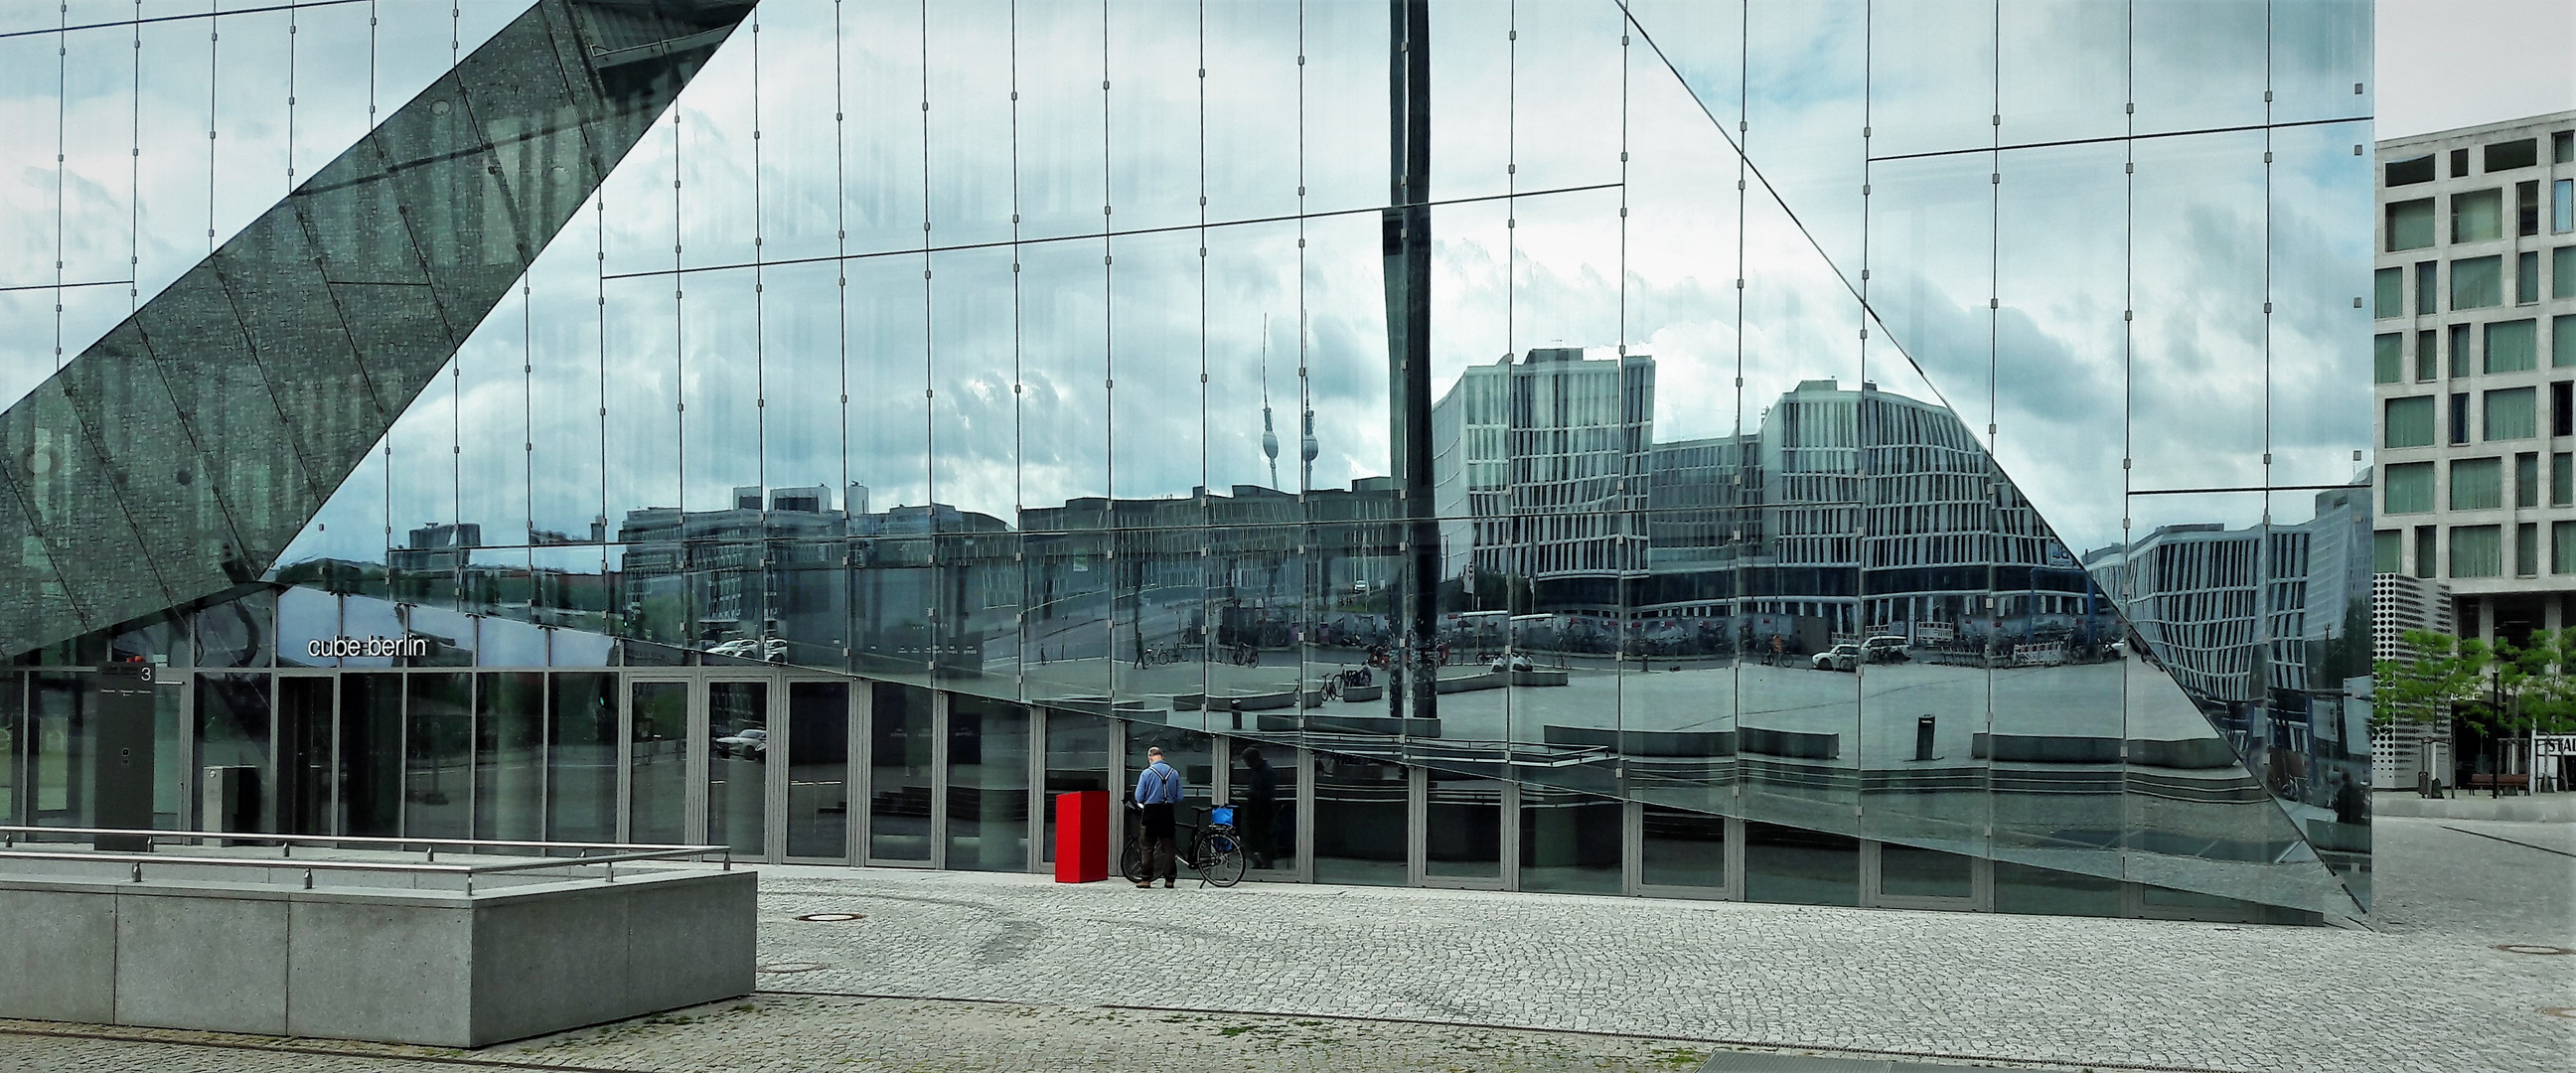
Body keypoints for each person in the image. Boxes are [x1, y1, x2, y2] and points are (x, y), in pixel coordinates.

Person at [1133, 745, 1181, 889]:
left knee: (1147, 846)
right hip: (1167, 811)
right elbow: (1179, 796)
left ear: (1150, 758)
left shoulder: (1146, 773)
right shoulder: (1174, 773)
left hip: (1151, 812)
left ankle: (1146, 879)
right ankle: (1170, 880)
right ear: (1162, 757)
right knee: (1168, 847)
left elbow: (1139, 796)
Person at [1238, 746, 1278, 869]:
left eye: (1248, 762)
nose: (1248, 766)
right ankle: (1260, 860)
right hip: (1257, 809)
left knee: (1261, 838)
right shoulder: (1261, 770)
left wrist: (1251, 793)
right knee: (1255, 838)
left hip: (1261, 810)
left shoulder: (1266, 772)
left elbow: (1268, 792)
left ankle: (1265, 862)